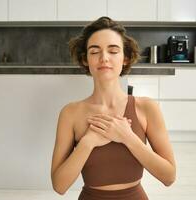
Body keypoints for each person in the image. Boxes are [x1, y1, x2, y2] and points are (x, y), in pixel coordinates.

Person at [50, 16, 176, 200]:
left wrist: (128, 137)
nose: (104, 58)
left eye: (113, 51)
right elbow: (59, 186)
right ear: (85, 60)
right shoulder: (70, 113)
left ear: (125, 58)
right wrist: (87, 143)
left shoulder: (147, 108)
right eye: (95, 52)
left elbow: (169, 177)